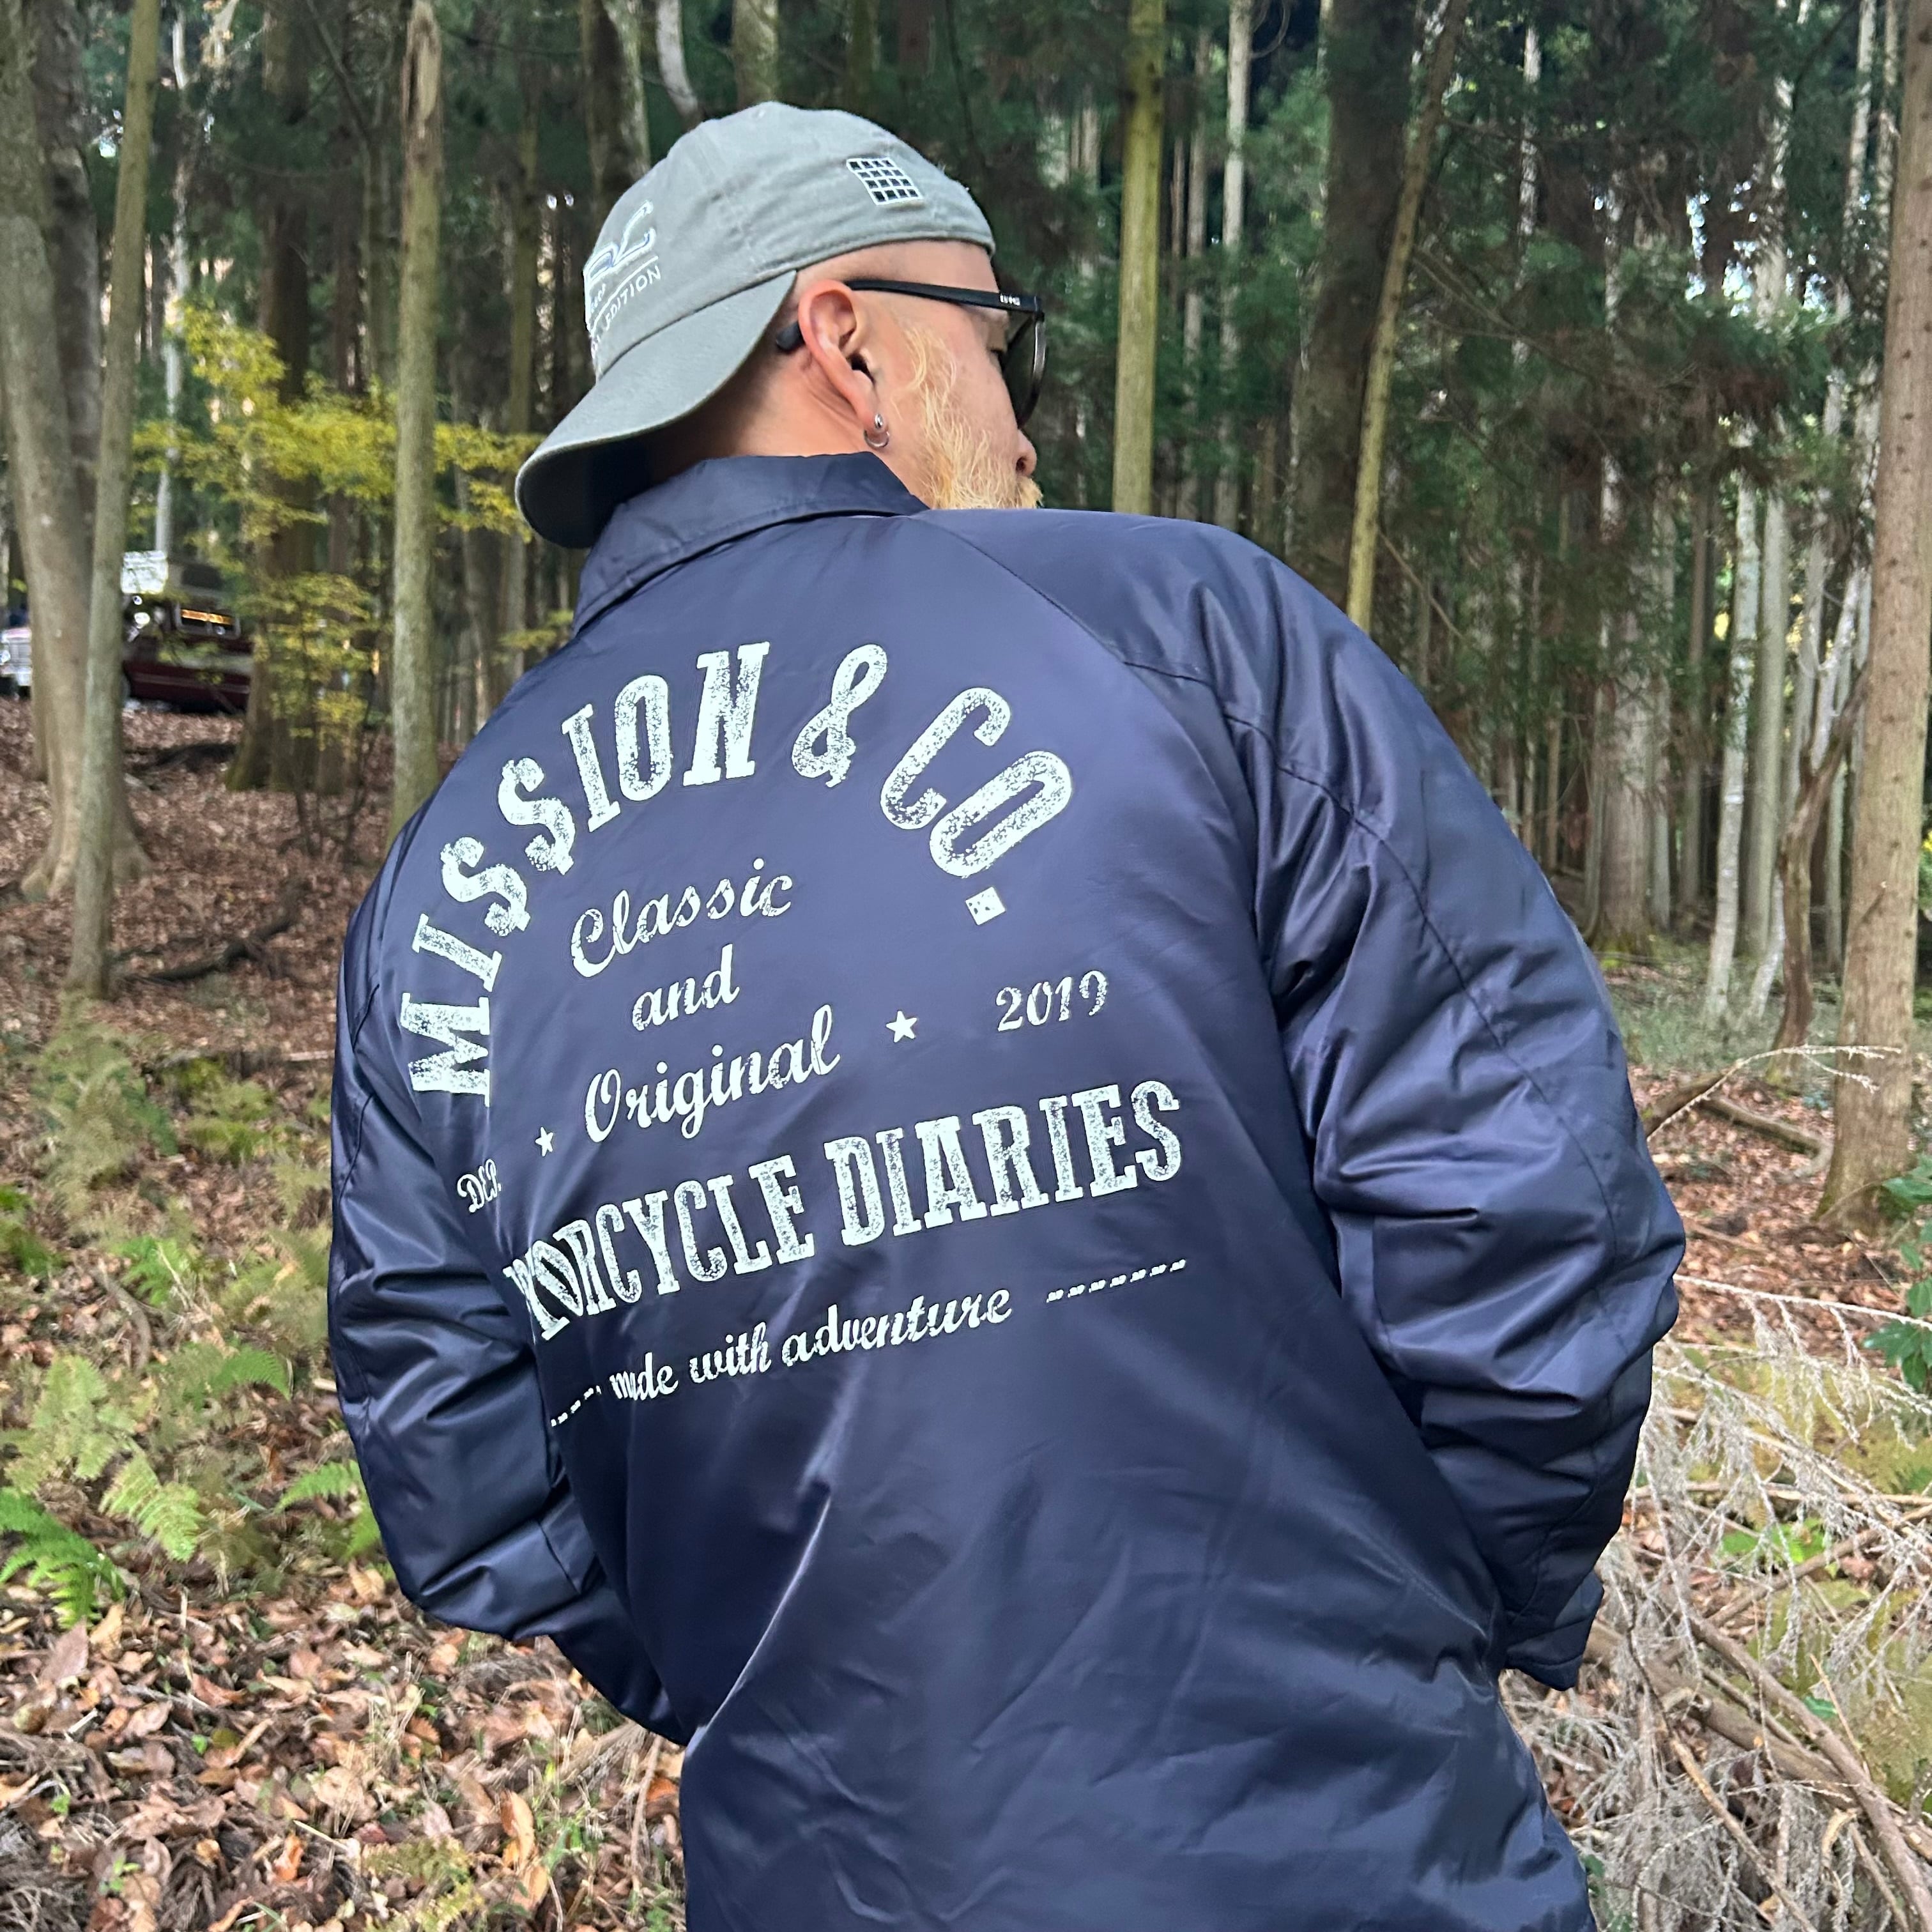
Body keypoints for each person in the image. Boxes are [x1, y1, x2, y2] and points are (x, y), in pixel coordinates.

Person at [329, 103, 1680, 1932]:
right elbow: (1524, 1198)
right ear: (847, 341)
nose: (1028, 421)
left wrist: (797, 1695)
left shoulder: (437, 889)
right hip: (1343, 1852)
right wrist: (1416, 1625)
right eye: (999, 337)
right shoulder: (1196, 641)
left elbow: (465, 1465)